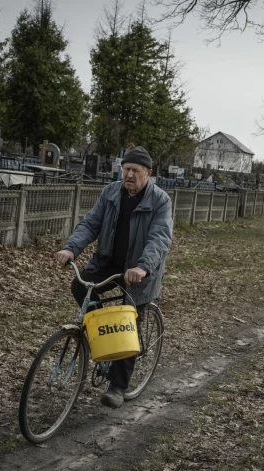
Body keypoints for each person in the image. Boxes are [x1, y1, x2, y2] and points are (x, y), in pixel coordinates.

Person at [55, 146, 173, 409]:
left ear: (149, 174)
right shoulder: (111, 193)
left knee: (127, 324)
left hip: (139, 272)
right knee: (79, 286)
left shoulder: (160, 201)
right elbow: (91, 223)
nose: (129, 175)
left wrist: (143, 267)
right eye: (126, 169)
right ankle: (104, 333)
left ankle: (118, 385)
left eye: (135, 171)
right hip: (107, 262)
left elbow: (160, 238)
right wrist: (71, 248)